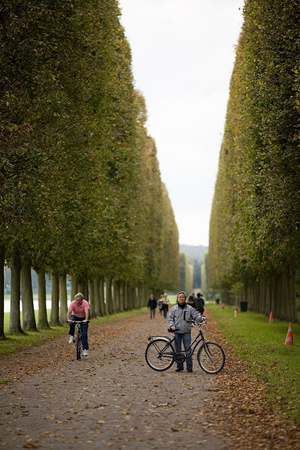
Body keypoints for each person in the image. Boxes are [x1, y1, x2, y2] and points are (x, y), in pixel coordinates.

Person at [168, 291, 202, 372]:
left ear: (185, 298)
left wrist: (201, 318)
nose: (181, 298)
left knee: (188, 350)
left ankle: (189, 367)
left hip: (186, 332)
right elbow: (170, 319)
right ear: (177, 299)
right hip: (177, 332)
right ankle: (179, 366)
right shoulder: (174, 309)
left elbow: (196, 316)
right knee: (177, 350)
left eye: (183, 297)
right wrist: (172, 325)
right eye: (180, 297)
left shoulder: (190, 308)